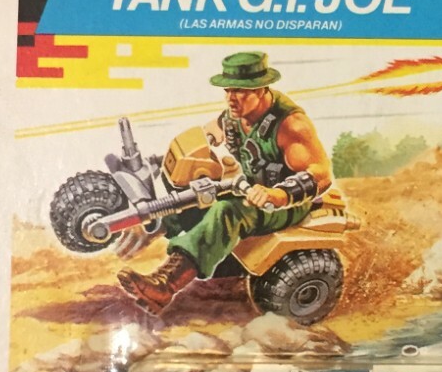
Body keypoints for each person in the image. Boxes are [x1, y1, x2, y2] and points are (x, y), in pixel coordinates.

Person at [118, 50, 332, 314]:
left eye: (239, 91)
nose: (231, 98)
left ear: (261, 89)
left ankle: (165, 286)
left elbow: (321, 174)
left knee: (226, 211)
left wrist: (276, 195)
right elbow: (212, 130)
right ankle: (149, 227)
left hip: (285, 204)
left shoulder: (291, 125)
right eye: (228, 90)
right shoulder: (237, 114)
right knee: (198, 191)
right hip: (248, 190)